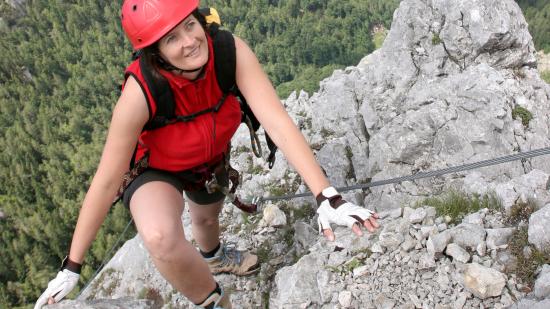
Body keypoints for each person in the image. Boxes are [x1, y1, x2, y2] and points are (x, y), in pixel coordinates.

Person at [34, 1, 380, 308]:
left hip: (210, 159)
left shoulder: (229, 53)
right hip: (155, 170)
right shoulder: (141, 92)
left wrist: (327, 196)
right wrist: (72, 266)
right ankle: (213, 300)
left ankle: (213, 257)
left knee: (207, 220)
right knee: (160, 237)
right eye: (171, 38)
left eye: (189, 25)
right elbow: (107, 179)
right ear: (155, 53)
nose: (188, 41)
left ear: (200, 19)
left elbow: (276, 120)